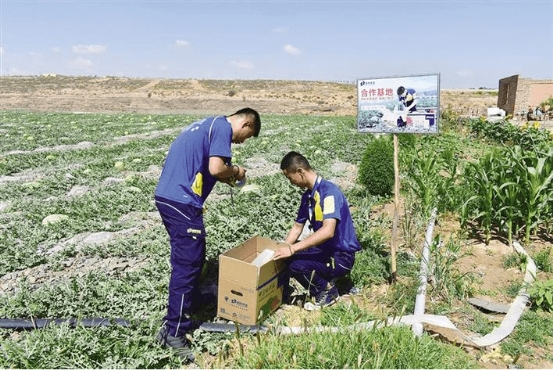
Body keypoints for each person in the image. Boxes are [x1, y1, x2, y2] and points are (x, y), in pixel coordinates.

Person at [154, 108, 261, 361]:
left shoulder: (205, 124)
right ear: (245, 123)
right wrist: (235, 171)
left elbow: (204, 166)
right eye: (246, 136)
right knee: (188, 264)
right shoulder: (223, 127)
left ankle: (179, 312)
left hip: (169, 196)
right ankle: (174, 331)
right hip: (181, 200)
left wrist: (226, 177)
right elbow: (216, 167)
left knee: (192, 258)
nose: (241, 141)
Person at [273, 151, 361, 309]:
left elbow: (328, 231)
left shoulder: (329, 193)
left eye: (289, 177)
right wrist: (284, 247)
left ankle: (327, 291)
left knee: (296, 264)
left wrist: (292, 249)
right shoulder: (308, 197)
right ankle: (285, 291)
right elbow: (297, 227)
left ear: (300, 172)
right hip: (326, 251)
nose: (290, 182)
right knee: (288, 257)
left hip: (341, 256)